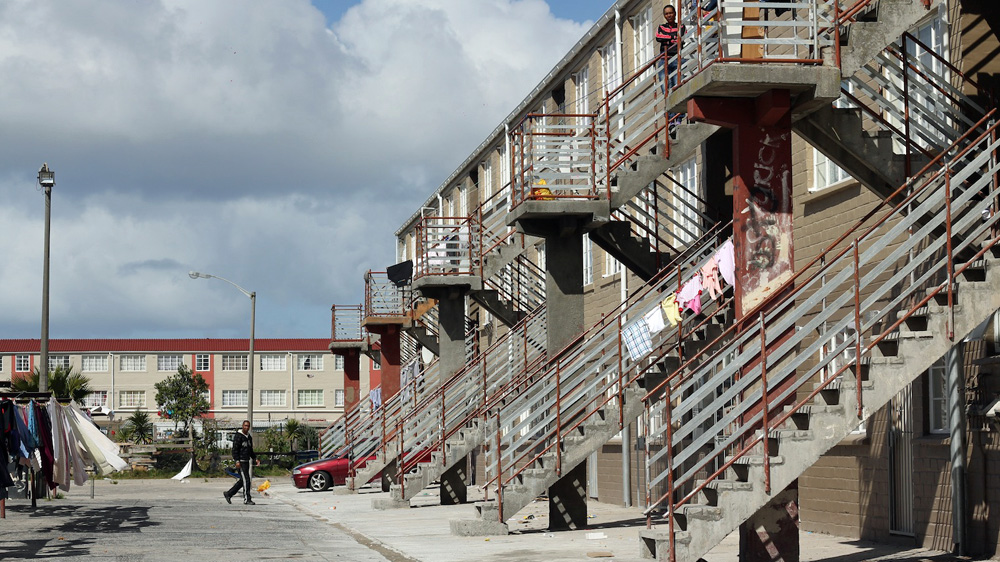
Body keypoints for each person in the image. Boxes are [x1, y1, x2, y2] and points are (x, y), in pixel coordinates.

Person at [223, 420, 259, 505]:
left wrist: (255, 459)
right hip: (241, 462)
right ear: (242, 426)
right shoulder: (238, 436)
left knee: (243, 481)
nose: (246, 427)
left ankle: (229, 493)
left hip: (246, 461)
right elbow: (235, 450)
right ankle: (247, 499)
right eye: (245, 426)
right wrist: (237, 461)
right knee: (247, 480)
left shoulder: (249, 437)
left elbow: (250, 450)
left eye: (248, 426)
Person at [656, 5, 683, 90]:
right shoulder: (661, 27)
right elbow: (658, 37)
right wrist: (672, 38)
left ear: (675, 14)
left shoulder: (681, 26)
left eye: (671, 13)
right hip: (664, 60)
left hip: (677, 58)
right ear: (664, 15)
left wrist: (666, 38)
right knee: (666, 88)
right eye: (667, 14)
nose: (669, 15)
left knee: (678, 86)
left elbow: (681, 39)